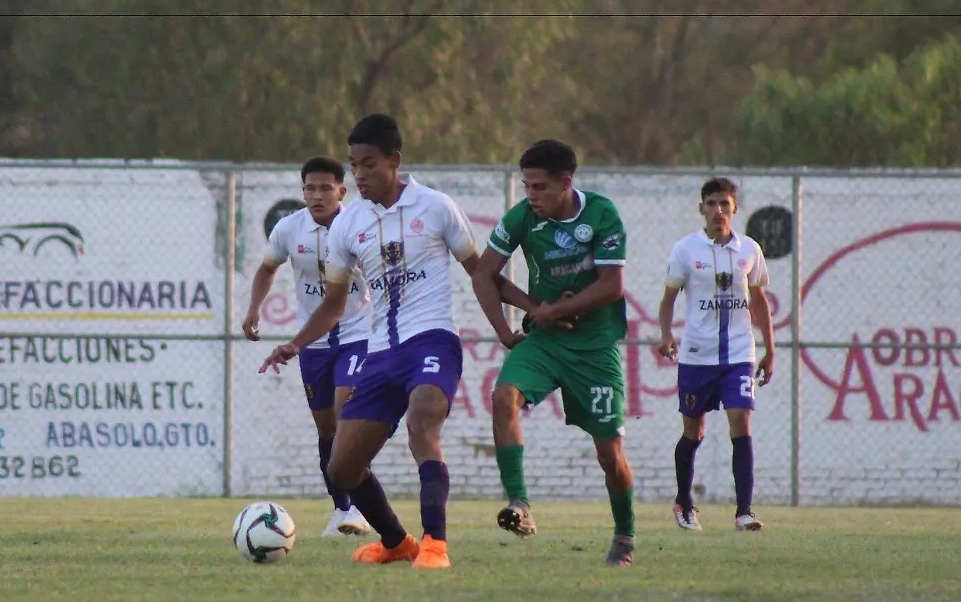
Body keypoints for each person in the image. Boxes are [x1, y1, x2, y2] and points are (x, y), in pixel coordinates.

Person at [259, 114, 532, 569]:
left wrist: (519, 320)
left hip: (432, 342)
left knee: (422, 425)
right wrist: (295, 343)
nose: (359, 174)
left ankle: (435, 545)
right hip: (380, 354)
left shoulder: (436, 207)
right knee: (342, 468)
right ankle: (397, 543)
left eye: (368, 164)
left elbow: (483, 274)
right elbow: (333, 304)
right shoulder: (348, 225)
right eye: (354, 165)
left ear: (394, 161)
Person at [471, 139, 637, 567]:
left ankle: (624, 535)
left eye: (539, 187)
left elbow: (611, 286)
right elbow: (484, 273)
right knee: (503, 398)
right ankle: (520, 504)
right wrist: (512, 326)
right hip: (544, 341)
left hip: (595, 348)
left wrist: (556, 310)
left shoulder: (601, 214)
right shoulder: (522, 218)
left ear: (566, 183)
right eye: (526, 186)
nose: (531, 195)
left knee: (610, 456)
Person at [243, 156, 373, 537]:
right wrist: (253, 309)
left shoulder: (359, 227)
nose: (317, 196)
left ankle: (363, 507)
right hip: (314, 341)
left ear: (341, 191)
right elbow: (267, 268)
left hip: (358, 334)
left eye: (325, 188)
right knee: (327, 428)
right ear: (302, 192)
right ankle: (342, 510)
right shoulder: (289, 228)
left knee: (347, 414)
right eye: (310, 188)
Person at [657, 176, 774, 532]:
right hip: (697, 355)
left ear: (734, 208)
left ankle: (744, 512)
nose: (718, 210)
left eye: (725, 203)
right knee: (693, 430)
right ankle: (684, 503)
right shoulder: (685, 250)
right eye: (711, 203)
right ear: (701, 208)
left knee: (741, 419)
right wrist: (666, 334)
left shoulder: (749, 250)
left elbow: (759, 301)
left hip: (739, 352)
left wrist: (770, 348)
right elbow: (668, 299)